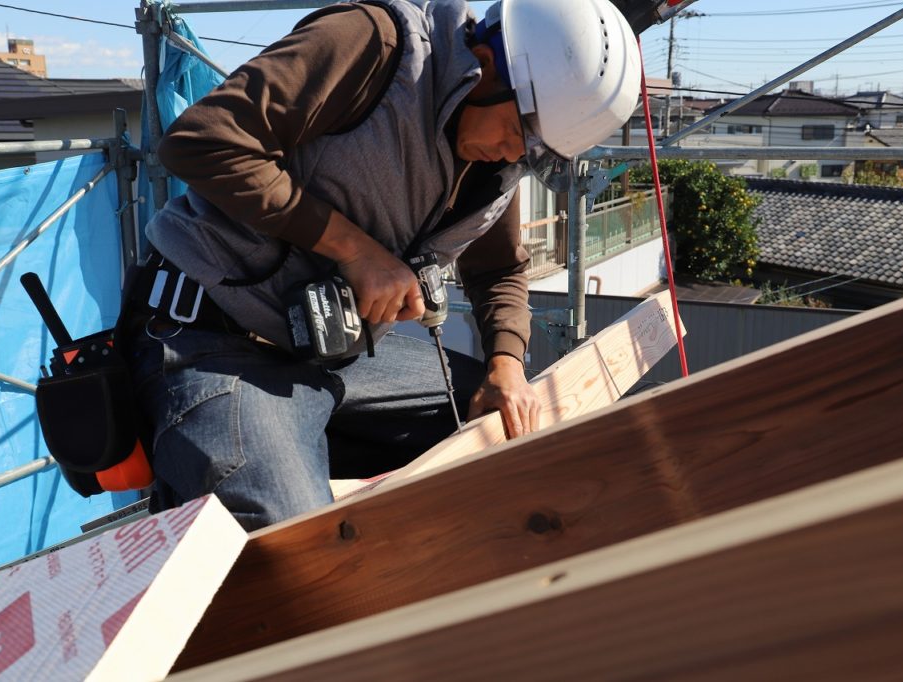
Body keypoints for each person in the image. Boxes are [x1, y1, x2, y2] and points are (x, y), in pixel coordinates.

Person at [127, 0, 641, 530]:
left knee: (492, 426)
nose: (513, 155)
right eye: (515, 132)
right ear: (485, 64)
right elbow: (202, 141)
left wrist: (506, 364)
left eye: (532, 151)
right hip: (215, 337)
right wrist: (354, 250)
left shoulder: (500, 159)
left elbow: (498, 270)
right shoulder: (375, 46)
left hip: (332, 351)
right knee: (292, 545)